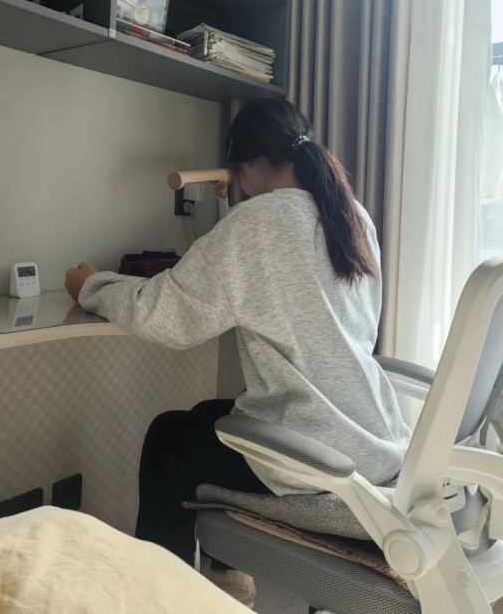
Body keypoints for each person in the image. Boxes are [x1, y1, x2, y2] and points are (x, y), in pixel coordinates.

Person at [65, 98, 409, 607]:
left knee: (168, 438)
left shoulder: (255, 223)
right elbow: (279, 270)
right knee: (209, 414)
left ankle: (159, 602)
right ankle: (229, 581)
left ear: (245, 165)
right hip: (370, 437)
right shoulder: (350, 214)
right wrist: (242, 210)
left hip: (313, 458)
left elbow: (164, 315)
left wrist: (91, 286)